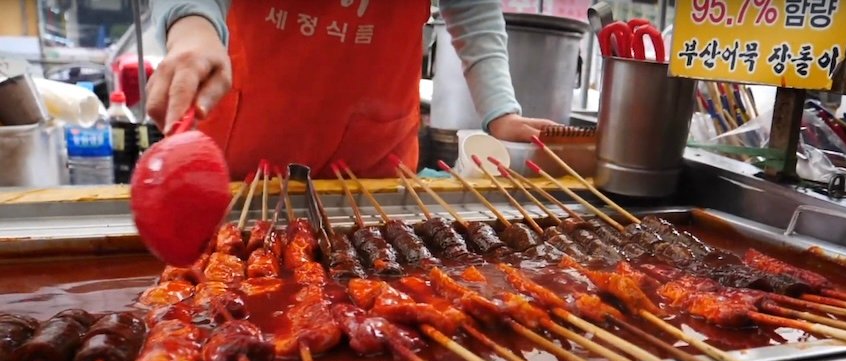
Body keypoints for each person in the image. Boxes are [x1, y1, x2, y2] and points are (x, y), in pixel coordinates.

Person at [149, 1, 555, 178]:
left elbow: (472, 9)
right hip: (245, 149)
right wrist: (192, 30)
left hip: (370, 160)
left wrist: (501, 111)